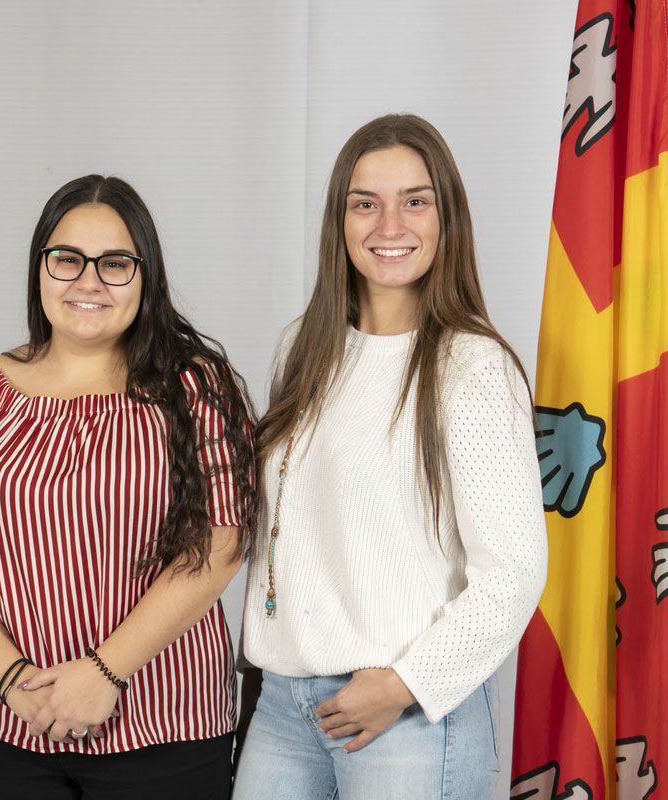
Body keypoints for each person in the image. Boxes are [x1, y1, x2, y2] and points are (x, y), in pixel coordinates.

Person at [0, 175, 256, 800]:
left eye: (115, 263)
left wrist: (105, 674)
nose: (88, 281)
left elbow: (220, 547)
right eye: (67, 259)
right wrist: (11, 678)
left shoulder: (197, 386)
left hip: (168, 727)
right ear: (39, 267)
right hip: (21, 731)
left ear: (145, 275)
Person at [232, 114, 548, 799]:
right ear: (339, 221)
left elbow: (515, 573)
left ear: (446, 217)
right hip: (285, 708)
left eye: (415, 200)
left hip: (403, 717)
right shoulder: (303, 349)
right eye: (364, 203)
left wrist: (405, 684)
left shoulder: (472, 367)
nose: (389, 225)